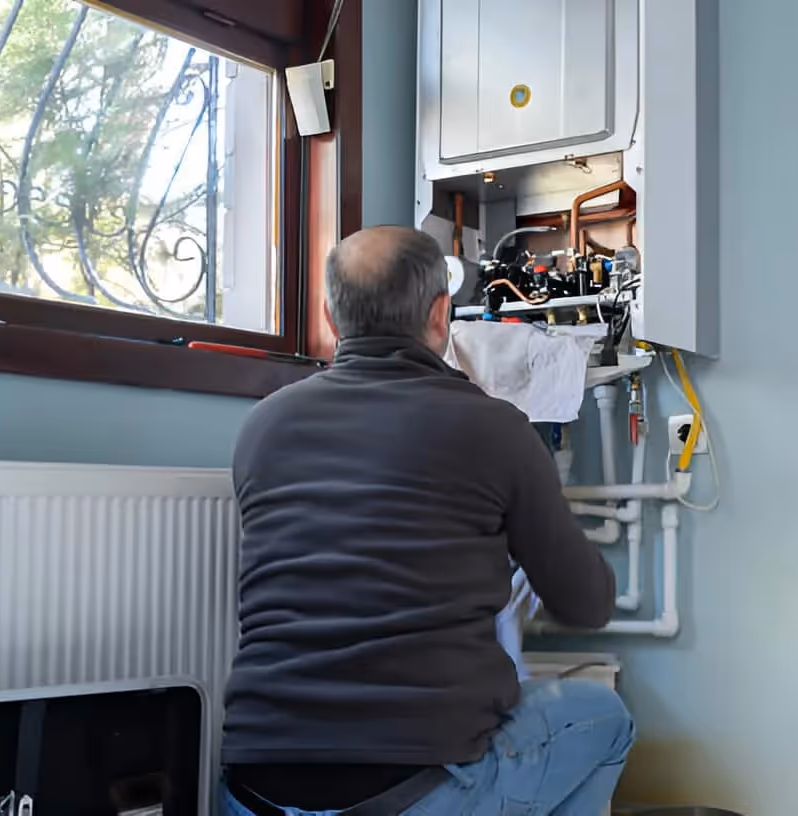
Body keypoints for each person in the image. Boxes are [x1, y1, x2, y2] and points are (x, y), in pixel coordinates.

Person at [220, 226, 634, 816]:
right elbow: (586, 605)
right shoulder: (494, 428)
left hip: (253, 789)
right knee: (603, 718)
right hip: (409, 792)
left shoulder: (262, 426)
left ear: (331, 319)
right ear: (442, 316)